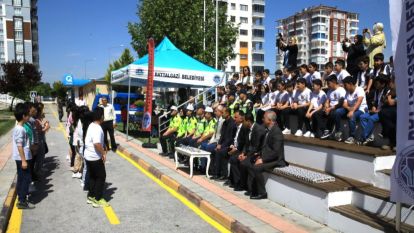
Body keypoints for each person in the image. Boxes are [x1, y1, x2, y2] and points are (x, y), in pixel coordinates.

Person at [245, 111, 288, 200]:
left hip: (277, 160)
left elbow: (275, 152)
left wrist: (263, 160)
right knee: (250, 161)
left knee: (257, 167)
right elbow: (265, 147)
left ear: (269, 120)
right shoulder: (268, 130)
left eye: (264, 118)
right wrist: (259, 155)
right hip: (269, 157)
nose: (262, 119)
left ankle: (262, 193)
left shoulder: (277, 132)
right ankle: (252, 189)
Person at [84, 107, 110, 208]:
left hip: (88, 156)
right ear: (101, 116)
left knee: (93, 177)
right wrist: (103, 153)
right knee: (101, 176)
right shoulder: (97, 128)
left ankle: (91, 196)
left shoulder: (91, 125)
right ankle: (98, 199)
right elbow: (97, 144)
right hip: (94, 157)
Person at [236, 113, 266, 194]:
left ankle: (250, 188)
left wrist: (247, 156)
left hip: (257, 153)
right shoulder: (248, 129)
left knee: (247, 164)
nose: (243, 123)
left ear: (248, 121)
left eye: (244, 121)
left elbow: (256, 146)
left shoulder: (258, 129)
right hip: (250, 152)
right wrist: (243, 153)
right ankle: (242, 184)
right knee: (238, 160)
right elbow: (247, 144)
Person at [334, 76, 368, 144]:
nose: (344, 86)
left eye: (345, 85)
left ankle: (352, 137)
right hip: (350, 108)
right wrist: (349, 108)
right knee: (337, 112)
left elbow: (359, 101)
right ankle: (338, 131)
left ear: (350, 84)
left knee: (352, 116)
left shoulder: (359, 89)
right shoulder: (347, 92)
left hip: (360, 109)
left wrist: (352, 111)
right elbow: (344, 104)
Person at [13, 103, 34, 209]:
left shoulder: (19, 127)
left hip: (23, 157)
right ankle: (22, 200)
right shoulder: (20, 129)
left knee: (22, 178)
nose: (29, 116)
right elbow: (19, 145)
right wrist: (24, 160)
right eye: (27, 115)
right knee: (25, 179)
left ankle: (21, 197)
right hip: (23, 158)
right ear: (23, 116)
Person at [359, 75, 390, 145]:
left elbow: (387, 105)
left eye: (377, 83)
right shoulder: (376, 91)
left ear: (383, 84)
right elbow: (375, 102)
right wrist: (373, 107)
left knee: (371, 119)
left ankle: (363, 137)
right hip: (376, 112)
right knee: (362, 117)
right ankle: (370, 136)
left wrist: (378, 110)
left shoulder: (388, 91)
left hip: (382, 112)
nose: (375, 85)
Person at [226, 111, 248, 188]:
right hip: (235, 148)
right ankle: (229, 178)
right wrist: (232, 146)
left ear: (241, 118)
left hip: (241, 150)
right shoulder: (236, 127)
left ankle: (238, 182)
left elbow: (244, 143)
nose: (234, 119)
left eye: (236, 117)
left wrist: (235, 149)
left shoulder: (244, 128)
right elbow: (234, 139)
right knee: (222, 151)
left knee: (234, 159)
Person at [212, 107, 236, 180]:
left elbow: (230, 138)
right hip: (223, 144)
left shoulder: (232, 123)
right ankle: (215, 172)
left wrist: (221, 146)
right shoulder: (225, 122)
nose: (222, 114)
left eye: (223, 112)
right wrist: (219, 144)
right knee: (215, 150)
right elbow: (222, 135)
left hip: (230, 145)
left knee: (221, 152)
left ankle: (224, 174)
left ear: (228, 113)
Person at [320, 75, 346, 139]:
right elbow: (327, 100)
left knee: (332, 112)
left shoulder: (341, 90)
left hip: (338, 108)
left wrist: (330, 108)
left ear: (334, 82)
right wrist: (326, 106)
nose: (327, 85)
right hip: (330, 108)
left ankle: (329, 130)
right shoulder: (329, 91)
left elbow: (341, 103)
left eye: (328, 83)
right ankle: (324, 130)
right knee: (319, 113)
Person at [379, 78, 396, 151]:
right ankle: (391, 143)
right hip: (392, 110)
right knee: (383, 113)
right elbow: (384, 101)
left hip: (401, 110)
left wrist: (388, 98)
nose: (389, 85)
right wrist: (387, 98)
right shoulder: (390, 91)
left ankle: (385, 133)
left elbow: (391, 102)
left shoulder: (402, 90)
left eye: (390, 83)